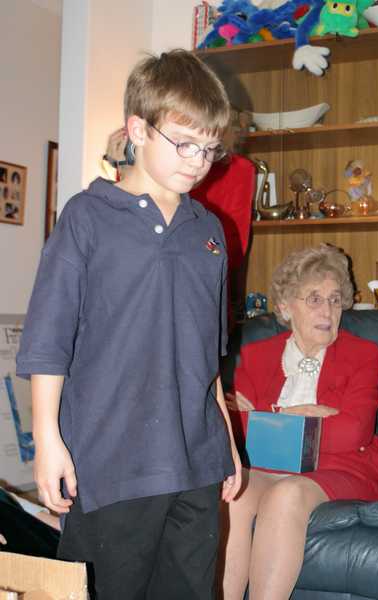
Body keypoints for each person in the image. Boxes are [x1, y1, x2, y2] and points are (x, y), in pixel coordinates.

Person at [16, 49, 241, 600]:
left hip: (196, 460)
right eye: (184, 143)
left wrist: (227, 443)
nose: (198, 161)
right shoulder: (87, 218)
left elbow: (207, 358)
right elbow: (48, 342)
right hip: (111, 460)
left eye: (210, 148)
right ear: (138, 130)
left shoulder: (209, 231)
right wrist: (48, 440)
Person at [221, 244, 378, 600]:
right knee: (234, 494)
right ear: (286, 307)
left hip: (344, 468)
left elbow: (354, 432)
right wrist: (302, 415)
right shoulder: (256, 354)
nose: (328, 311)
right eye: (314, 299)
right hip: (268, 465)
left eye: (335, 300)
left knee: (286, 495)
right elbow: (236, 430)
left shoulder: (364, 354)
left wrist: (265, 417)